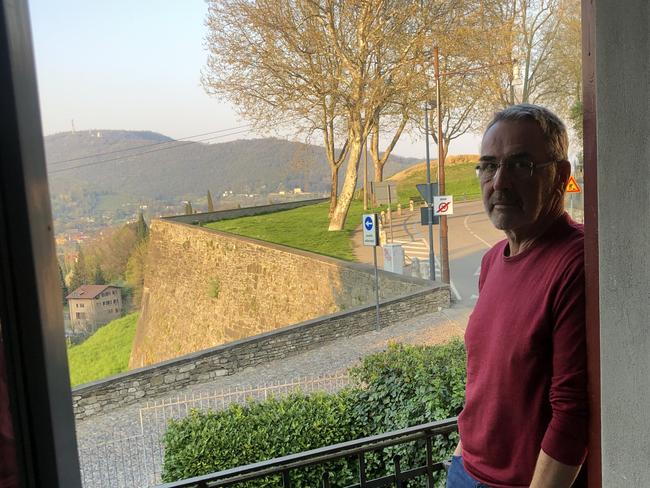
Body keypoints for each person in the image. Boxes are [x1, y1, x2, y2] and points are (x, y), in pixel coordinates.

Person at [447, 104, 588, 488]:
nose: (499, 183)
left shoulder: (576, 261)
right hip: (464, 472)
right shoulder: (493, 260)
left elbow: (573, 414)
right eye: (489, 166)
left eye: (520, 165)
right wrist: (462, 451)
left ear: (560, 176)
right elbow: (488, 374)